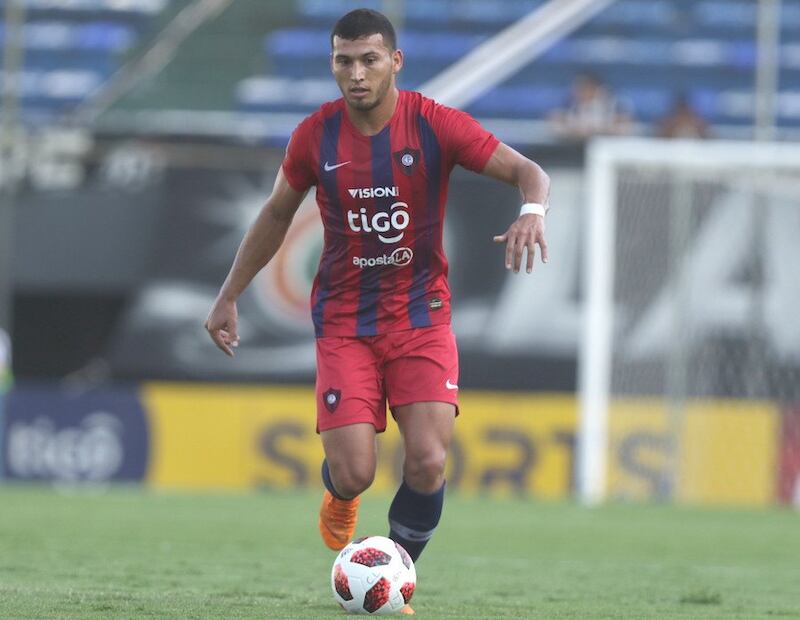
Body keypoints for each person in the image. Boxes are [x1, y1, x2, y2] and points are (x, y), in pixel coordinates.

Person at [205, 9, 550, 614]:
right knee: (355, 472)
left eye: (369, 60)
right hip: (345, 323)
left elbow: (529, 172)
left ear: (395, 62)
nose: (357, 74)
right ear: (332, 64)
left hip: (421, 317)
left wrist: (532, 212)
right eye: (345, 61)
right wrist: (229, 293)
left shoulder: (434, 124)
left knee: (428, 460)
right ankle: (340, 497)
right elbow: (277, 214)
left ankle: (391, 574)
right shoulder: (315, 136)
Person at [550, 71, 632, 141]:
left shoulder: (614, 103)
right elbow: (555, 121)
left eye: (583, 88)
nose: (578, 92)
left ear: (594, 88)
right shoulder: (569, 102)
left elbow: (625, 126)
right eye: (577, 88)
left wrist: (597, 131)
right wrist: (574, 130)